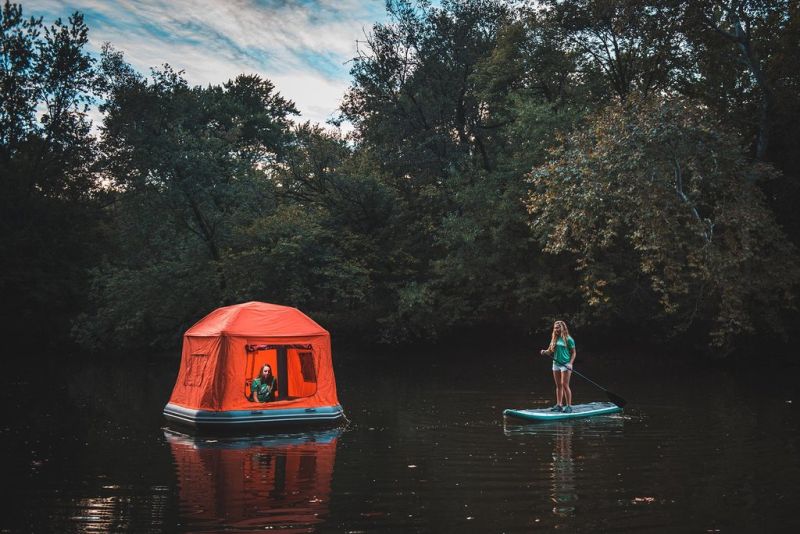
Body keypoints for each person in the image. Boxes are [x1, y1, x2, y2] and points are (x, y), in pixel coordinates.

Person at [540, 320, 576, 413]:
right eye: (555, 328)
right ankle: (559, 405)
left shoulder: (568, 339)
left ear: (562, 328)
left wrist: (570, 364)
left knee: (565, 385)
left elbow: (574, 353)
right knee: (558, 385)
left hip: (565, 364)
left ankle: (569, 406)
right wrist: (544, 352)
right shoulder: (554, 338)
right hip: (556, 364)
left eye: (558, 327)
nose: (556, 329)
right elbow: (549, 351)